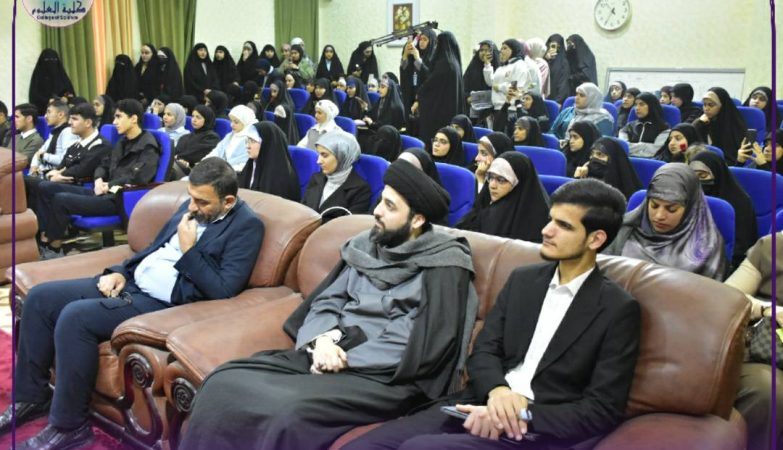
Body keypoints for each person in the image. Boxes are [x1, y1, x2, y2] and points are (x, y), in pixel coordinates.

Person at [179, 158, 479, 450]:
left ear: (417, 220)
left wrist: (345, 358)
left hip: (383, 376)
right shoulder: (367, 244)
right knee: (223, 382)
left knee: (286, 413)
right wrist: (322, 341)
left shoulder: (444, 265)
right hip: (327, 351)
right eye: (381, 201)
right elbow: (328, 300)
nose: (376, 211)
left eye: (390, 207)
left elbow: (417, 339)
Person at [345, 178, 640, 450]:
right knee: (363, 447)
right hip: (478, 400)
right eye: (550, 219)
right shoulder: (524, 280)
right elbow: (485, 349)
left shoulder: (617, 309)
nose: (546, 230)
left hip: (534, 429)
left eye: (563, 226)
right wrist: (498, 391)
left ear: (595, 239)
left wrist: (519, 414)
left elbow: (601, 409)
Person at [4, 157, 264, 449]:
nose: (192, 206)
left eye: (202, 202)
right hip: (132, 282)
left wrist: (189, 249)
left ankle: (70, 427)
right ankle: (32, 397)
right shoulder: (192, 207)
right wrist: (120, 272)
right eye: (191, 197)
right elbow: (153, 250)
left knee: (75, 317)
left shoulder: (247, 226)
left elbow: (223, 289)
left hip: (161, 302)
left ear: (228, 201)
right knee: (40, 298)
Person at [36, 99, 161, 256]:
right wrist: (99, 179)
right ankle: (45, 239)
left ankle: (54, 249)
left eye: (119, 117)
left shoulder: (148, 146)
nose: (114, 122)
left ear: (133, 119)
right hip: (104, 191)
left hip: (120, 199)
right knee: (48, 187)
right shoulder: (123, 142)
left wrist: (109, 185)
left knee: (61, 200)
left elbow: (139, 177)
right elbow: (103, 165)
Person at [604, 163, 727, 280]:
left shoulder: (707, 247)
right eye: (654, 205)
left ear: (690, 209)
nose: (659, 216)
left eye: (671, 209)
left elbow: (708, 292)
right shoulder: (625, 230)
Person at [725, 232, 783, 450]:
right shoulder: (773, 246)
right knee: (768, 390)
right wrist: (768, 309)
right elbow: (727, 297)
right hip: (766, 351)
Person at [24, 103, 112, 225]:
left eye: (74, 119)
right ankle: (34, 228)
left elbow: (81, 169)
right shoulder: (76, 144)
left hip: (82, 185)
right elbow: (62, 164)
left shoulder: (101, 144)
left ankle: (42, 231)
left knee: (42, 186)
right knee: (26, 182)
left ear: (88, 122)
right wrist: (54, 174)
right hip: (65, 181)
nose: (70, 122)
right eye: (70, 118)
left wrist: (58, 174)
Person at [457, 152, 549, 243]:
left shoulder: (536, 222)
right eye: (490, 177)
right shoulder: (484, 207)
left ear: (518, 183)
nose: (492, 185)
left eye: (501, 180)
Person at [689, 149, 758, 268]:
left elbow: (740, 248)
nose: (698, 181)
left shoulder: (739, 202)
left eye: (703, 175)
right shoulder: (689, 196)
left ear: (717, 174)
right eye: (693, 176)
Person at [302, 129, 371, 221]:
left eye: (324, 155)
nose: (318, 161)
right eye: (319, 154)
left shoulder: (360, 189)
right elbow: (302, 211)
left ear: (342, 156)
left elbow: (349, 226)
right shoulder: (316, 178)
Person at [417, 31, 465, 149]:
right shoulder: (454, 63)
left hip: (439, 115)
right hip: (450, 112)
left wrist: (419, 94)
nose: (436, 47)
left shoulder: (444, 64)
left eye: (438, 43)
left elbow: (429, 86)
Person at [237, 121, 300, 201]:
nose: (248, 146)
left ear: (266, 144)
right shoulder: (251, 164)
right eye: (247, 141)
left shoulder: (279, 178)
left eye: (253, 141)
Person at [483, 39, 532, 132]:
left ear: (514, 49)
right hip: (498, 109)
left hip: (510, 110)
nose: (501, 51)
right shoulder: (503, 66)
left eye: (505, 48)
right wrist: (487, 64)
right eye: (501, 48)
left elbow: (516, 88)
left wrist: (499, 87)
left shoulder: (520, 65)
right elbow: (491, 82)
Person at [692, 87, 747, 165]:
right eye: (704, 104)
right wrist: (698, 124)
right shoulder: (702, 121)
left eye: (711, 105)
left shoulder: (734, 125)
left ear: (722, 105)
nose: (706, 108)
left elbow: (733, 156)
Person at [573, 137, 642, 199]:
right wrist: (578, 178)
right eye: (591, 154)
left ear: (613, 159)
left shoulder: (623, 187)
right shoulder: (587, 175)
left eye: (599, 154)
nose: (594, 158)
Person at [28, 99, 79, 177]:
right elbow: (38, 153)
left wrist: (43, 156)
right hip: (45, 172)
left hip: (57, 175)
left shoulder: (68, 132)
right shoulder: (54, 133)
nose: (45, 116)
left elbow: (65, 160)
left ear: (60, 115)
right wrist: (33, 166)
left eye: (49, 112)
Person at [170, 104, 221, 179]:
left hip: (197, 172)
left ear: (207, 119)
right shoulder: (185, 137)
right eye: (193, 116)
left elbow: (197, 155)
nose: (194, 119)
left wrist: (179, 158)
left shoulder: (212, 137)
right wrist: (178, 159)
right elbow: (175, 152)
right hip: (179, 166)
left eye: (198, 117)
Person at [203, 104, 258, 171]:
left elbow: (246, 165)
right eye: (231, 121)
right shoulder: (231, 135)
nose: (231, 125)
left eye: (236, 122)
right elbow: (216, 151)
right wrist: (203, 163)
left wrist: (224, 170)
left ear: (246, 122)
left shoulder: (252, 140)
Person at [618, 92, 671, 158]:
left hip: (651, 162)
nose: (637, 108)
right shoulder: (628, 127)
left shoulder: (664, 128)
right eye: (636, 105)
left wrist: (632, 148)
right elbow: (623, 147)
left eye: (641, 104)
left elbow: (655, 151)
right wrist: (645, 146)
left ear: (651, 106)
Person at [400, 27, 437, 115]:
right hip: (411, 97)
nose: (421, 42)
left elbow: (430, 78)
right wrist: (405, 55)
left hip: (426, 102)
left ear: (431, 42)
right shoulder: (415, 54)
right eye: (420, 39)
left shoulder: (434, 58)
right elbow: (405, 72)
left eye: (425, 39)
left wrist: (418, 59)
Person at [29, 48, 75, 114]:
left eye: (54, 60)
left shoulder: (62, 77)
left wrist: (66, 98)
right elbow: (34, 98)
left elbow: (70, 93)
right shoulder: (38, 78)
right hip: (43, 114)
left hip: (64, 113)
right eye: (47, 60)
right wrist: (48, 101)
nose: (51, 63)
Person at [463, 40, 498, 123]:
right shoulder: (473, 67)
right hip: (471, 109)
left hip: (491, 112)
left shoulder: (499, 69)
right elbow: (463, 86)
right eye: (481, 50)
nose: (484, 53)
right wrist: (467, 97)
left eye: (487, 50)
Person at [544, 34, 571, 104]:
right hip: (542, 99)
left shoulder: (563, 63)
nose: (553, 48)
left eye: (557, 46)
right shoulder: (543, 60)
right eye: (552, 45)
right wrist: (545, 59)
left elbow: (563, 85)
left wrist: (557, 102)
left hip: (555, 100)